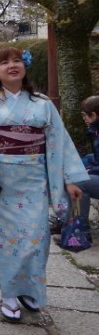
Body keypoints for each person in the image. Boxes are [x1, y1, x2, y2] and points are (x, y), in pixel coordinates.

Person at [0, 46, 87, 323]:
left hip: (35, 181)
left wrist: (69, 179)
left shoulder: (42, 103)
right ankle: (9, 293)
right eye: (5, 62)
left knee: (36, 239)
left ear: (24, 67)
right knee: (4, 241)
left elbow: (59, 142)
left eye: (17, 60)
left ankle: (29, 288)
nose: (12, 65)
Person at [73, 95, 99, 237]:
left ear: (94, 115)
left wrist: (91, 170)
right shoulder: (96, 131)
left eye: (85, 116)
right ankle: (65, 220)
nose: (84, 119)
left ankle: (79, 233)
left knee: (78, 183)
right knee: (79, 165)